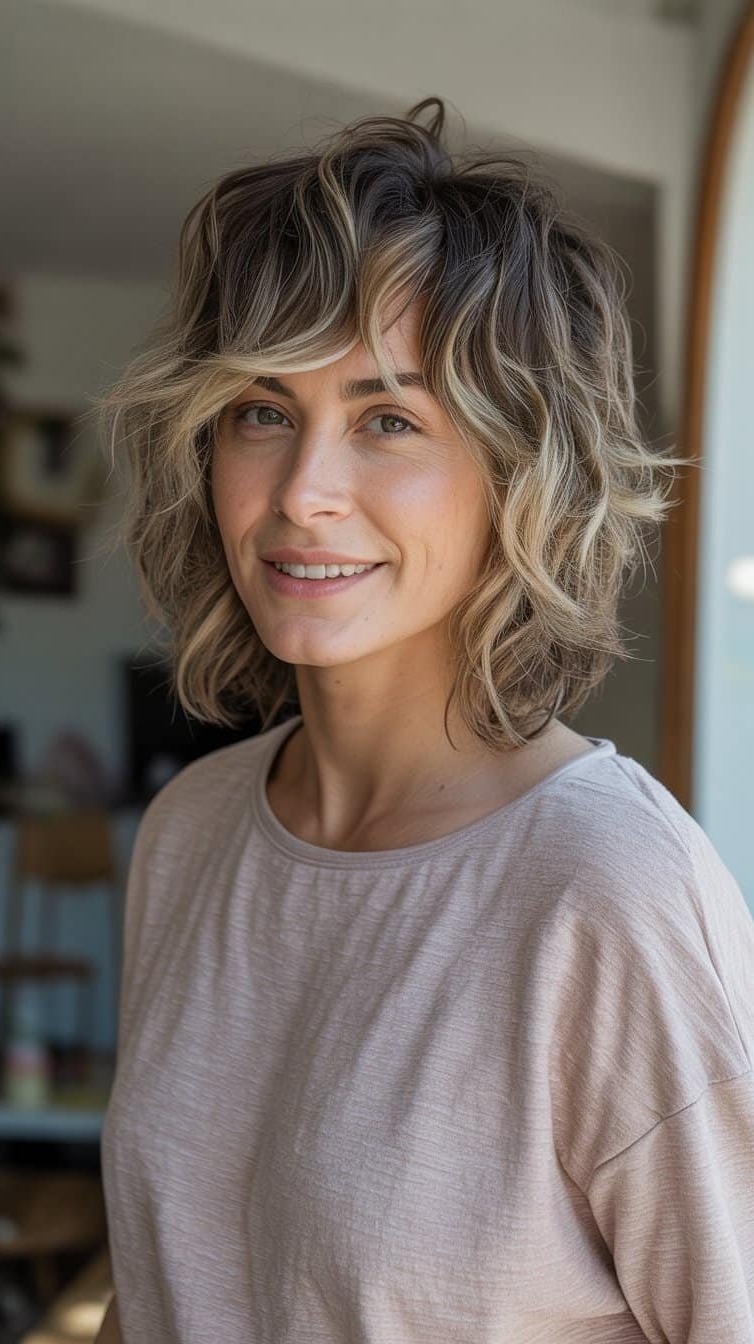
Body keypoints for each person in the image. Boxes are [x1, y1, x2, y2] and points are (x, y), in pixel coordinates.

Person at [95, 97, 754, 1343]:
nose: (303, 493)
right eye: (262, 412)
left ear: (522, 475)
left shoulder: (607, 891)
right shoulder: (191, 832)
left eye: (387, 420)